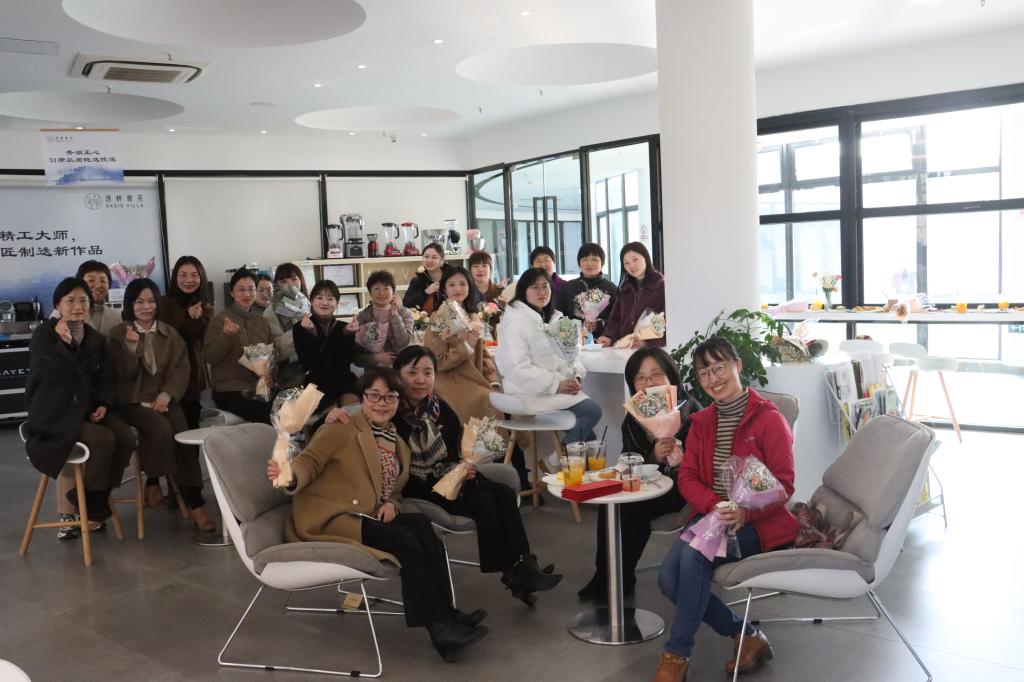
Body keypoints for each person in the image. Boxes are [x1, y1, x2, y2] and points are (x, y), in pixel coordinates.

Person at [267, 368, 489, 663]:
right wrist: (289, 474)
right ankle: (441, 631)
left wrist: (392, 504)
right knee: (405, 543)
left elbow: (393, 489)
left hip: (366, 514)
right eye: (374, 396)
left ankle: (447, 614)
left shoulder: (395, 440)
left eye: (390, 397)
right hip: (332, 516)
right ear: (362, 398)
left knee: (422, 527)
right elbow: (310, 462)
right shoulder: (341, 427)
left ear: (398, 400)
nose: (381, 403)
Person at [653, 337, 798, 682]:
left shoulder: (769, 419)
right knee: (668, 579)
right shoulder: (702, 421)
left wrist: (746, 513)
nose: (713, 379)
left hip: (755, 524)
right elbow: (687, 476)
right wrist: (715, 506)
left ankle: (676, 655)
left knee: (694, 557)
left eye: (719, 368)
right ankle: (746, 636)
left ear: (738, 365)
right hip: (711, 517)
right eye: (704, 373)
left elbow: (784, 484)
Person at [392, 346, 562, 605]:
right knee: (484, 500)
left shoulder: (438, 407)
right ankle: (514, 572)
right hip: (420, 486)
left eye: (428, 372)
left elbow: (457, 446)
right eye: (412, 372)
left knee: (504, 493)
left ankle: (523, 566)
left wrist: (465, 464)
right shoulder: (392, 412)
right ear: (398, 374)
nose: (420, 380)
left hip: (452, 478)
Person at [577, 347, 701, 602]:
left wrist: (681, 460)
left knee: (633, 507)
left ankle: (621, 576)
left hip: (684, 490)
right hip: (649, 484)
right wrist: (654, 455)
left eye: (656, 375)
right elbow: (629, 460)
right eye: (640, 378)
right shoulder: (634, 416)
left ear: (670, 376)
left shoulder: (692, 410)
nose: (649, 383)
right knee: (610, 502)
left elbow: (706, 465)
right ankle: (604, 574)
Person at [107, 278, 216, 532]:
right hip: (132, 402)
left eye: (151, 301)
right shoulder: (117, 334)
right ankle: (160, 482)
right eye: (139, 302)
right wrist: (131, 347)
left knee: (184, 437)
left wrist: (167, 395)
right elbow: (121, 375)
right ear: (130, 304)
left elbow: (181, 369)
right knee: (161, 429)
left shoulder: (169, 333)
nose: (146, 307)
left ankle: (194, 502)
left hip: (164, 400)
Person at [24, 277, 135, 525]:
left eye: (83, 301)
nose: (78, 306)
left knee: (126, 436)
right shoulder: (44, 334)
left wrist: (103, 403)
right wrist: (64, 346)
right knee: (104, 439)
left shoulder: (94, 338)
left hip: (85, 409)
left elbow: (105, 377)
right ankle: (93, 499)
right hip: (55, 413)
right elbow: (46, 375)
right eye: (70, 301)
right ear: (58, 305)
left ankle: (94, 495)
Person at [495, 268, 602, 446]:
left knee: (587, 436)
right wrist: (556, 385)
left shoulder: (552, 318)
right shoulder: (515, 322)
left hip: (548, 390)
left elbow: (568, 356)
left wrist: (574, 377)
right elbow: (518, 369)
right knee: (591, 411)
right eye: (535, 287)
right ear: (523, 291)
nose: (542, 292)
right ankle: (562, 459)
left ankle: (564, 459)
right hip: (526, 392)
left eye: (545, 286)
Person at [423, 266, 500, 423]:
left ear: (470, 287)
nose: (458, 289)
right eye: (451, 284)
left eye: (463, 284)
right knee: (484, 400)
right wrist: (466, 346)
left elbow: (483, 354)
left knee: (497, 397)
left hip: (474, 379)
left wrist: (493, 379)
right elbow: (437, 361)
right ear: (444, 290)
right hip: (450, 381)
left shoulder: (473, 316)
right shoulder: (439, 318)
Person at [203, 268, 274, 424]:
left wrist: (269, 376)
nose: (246, 294)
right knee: (268, 413)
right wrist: (226, 335)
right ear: (232, 293)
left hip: (259, 388)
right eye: (241, 289)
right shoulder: (220, 320)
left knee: (289, 405)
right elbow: (209, 356)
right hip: (229, 390)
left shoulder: (261, 322)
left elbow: (272, 354)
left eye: (251, 289)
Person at [159, 255, 214, 431]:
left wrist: (196, 320)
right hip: (167, 372)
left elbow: (205, 340)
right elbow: (167, 336)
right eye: (183, 275)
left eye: (194, 275)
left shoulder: (206, 307)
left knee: (192, 424)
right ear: (175, 278)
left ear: (201, 277)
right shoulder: (163, 304)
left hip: (194, 374)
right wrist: (186, 316)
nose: (188, 280)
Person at [293, 279, 359, 416]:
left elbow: (347, 361)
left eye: (330, 298)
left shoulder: (344, 327)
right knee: (332, 417)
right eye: (319, 297)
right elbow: (307, 362)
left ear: (337, 303)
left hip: (343, 379)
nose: (324, 303)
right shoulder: (299, 328)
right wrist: (312, 334)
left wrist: (347, 335)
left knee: (353, 413)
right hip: (317, 382)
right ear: (311, 300)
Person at [598, 242, 666, 349]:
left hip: (653, 350)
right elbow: (616, 319)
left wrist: (648, 343)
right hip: (626, 349)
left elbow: (668, 322)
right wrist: (609, 337)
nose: (632, 266)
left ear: (646, 258)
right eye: (626, 263)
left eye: (635, 259)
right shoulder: (625, 288)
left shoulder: (661, 286)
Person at [351, 270, 415, 368]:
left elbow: (404, 343)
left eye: (386, 288)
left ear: (393, 292)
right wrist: (376, 358)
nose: (381, 292)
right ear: (370, 292)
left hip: (401, 369)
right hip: (373, 371)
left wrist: (395, 315)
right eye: (376, 289)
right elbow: (356, 357)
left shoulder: (405, 313)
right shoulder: (363, 316)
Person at [263, 263, 309, 389]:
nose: (290, 284)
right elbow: (277, 349)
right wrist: (300, 326)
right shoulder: (272, 311)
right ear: (277, 285)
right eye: (284, 281)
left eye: (294, 279)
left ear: (301, 280)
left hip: (313, 363)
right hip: (289, 369)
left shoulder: (308, 304)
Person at [558, 243, 617, 338]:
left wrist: (600, 324)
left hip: (603, 340)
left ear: (602, 263)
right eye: (585, 259)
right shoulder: (568, 287)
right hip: (574, 340)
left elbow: (618, 319)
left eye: (594, 259)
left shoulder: (611, 288)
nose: (589, 263)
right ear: (579, 263)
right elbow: (560, 316)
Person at [76, 260, 122, 334]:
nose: (98, 286)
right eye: (91, 280)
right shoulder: (66, 313)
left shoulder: (116, 317)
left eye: (103, 281)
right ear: (79, 283)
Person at [403, 243, 449, 314]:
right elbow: (405, 306)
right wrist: (425, 292)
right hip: (423, 320)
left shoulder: (451, 279)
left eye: (434, 257)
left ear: (442, 260)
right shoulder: (416, 281)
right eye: (426, 256)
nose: (429, 260)